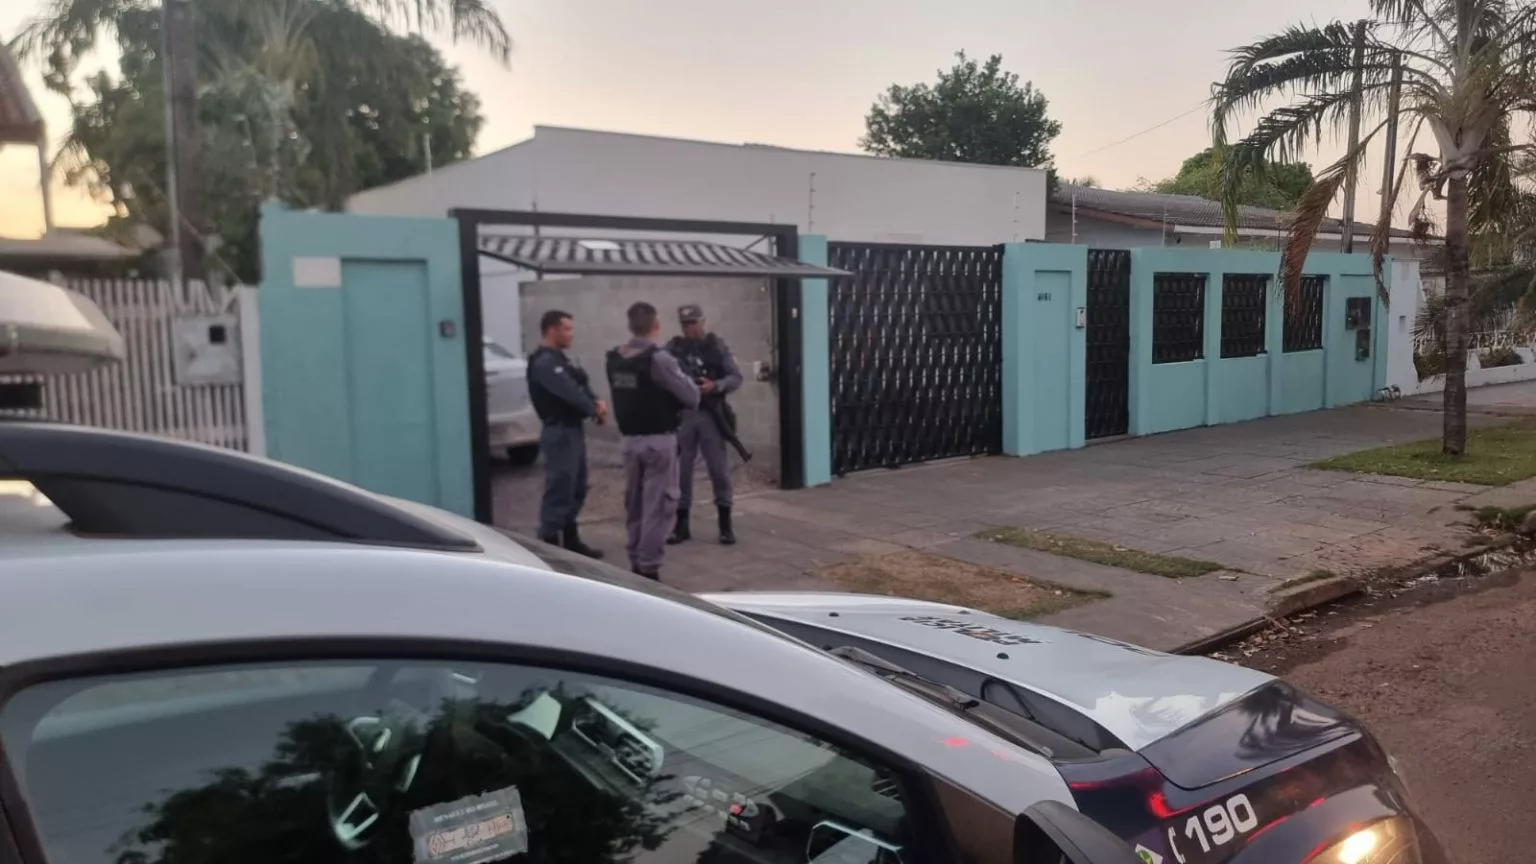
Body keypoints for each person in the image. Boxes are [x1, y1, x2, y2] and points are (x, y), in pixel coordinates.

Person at [605, 302, 700, 580]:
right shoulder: (659, 359)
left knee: (635, 505)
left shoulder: (615, 358)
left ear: (630, 325)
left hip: (629, 442)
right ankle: (649, 568)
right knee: (658, 507)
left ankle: (636, 560)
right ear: (656, 326)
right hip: (658, 441)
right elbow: (692, 397)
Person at [526, 309, 606, 559]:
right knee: (560, 488)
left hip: (572, 429)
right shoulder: (545, 363)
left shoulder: (561, 360)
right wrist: (592, 408)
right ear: (552, 330)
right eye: (567, 329)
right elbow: (568, 392)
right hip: (559, 431)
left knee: (576, 487)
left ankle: (571, 540)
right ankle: (549, 547)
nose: (572, 334)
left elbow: (578, 385)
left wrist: (595, 402)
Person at [666, 304, 743, 545]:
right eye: (685, 324)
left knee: (719, 471)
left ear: (702, 322)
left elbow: (735, 377)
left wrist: (715, 386)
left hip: (711, 414)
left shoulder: (716, 346)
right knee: (681, 472)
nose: (689, 328)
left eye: (693, 323)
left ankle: (725, 526)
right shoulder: (674, 349)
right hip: (685, 415)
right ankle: (681, 526)